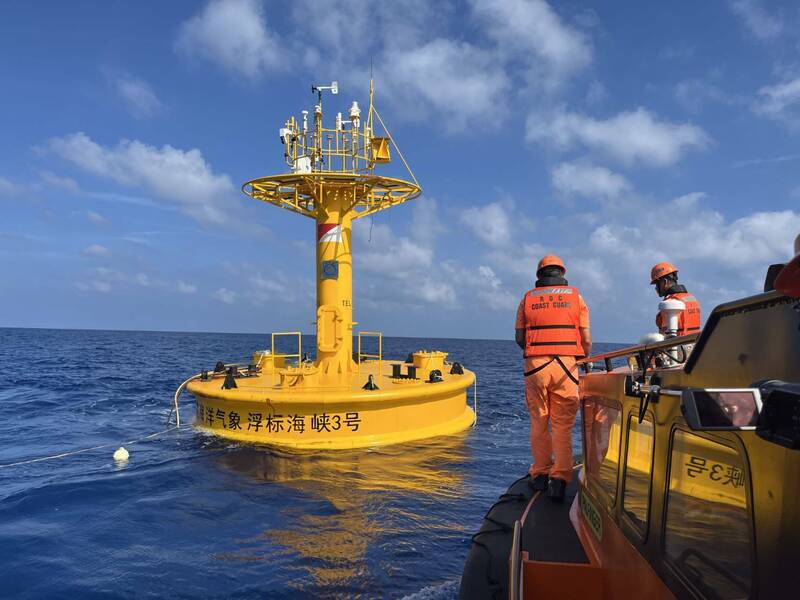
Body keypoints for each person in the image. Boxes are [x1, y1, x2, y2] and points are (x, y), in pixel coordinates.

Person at [515, 255, 591, 502]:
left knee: (539, 421)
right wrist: (579, 357)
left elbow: (519, 338)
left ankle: (539, 474)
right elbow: (585, 337)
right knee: (562, 426)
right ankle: (559, 480)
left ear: (539, 275)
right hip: (567, 366)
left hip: (535, 367)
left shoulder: (527, 299)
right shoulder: (576, 298)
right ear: (561, 273)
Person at [650, 262, 701, 336]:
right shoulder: (692, 299)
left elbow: (663, 333)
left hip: (677, 344)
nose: (656, 288)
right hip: (696, 343)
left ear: (665, 282)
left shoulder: (669, 303)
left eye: (657, 284)